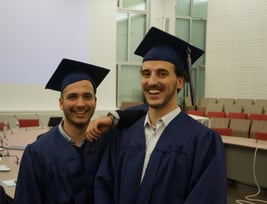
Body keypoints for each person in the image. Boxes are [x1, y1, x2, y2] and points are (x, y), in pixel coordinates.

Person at [93, 27, 227, 204]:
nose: (152, 81)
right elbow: (104, 188)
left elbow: (207, 197)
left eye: (162, 74)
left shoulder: (203, 141)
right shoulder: (124, 136)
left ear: (179, 81)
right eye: (146, 73)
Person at [13, 58, 110, 204]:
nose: (80, 103)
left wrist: (113, 118)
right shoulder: (37, 153)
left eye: (87, 96)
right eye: (72, 97)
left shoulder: (107, 145)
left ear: (95, 101)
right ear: (61, 103)